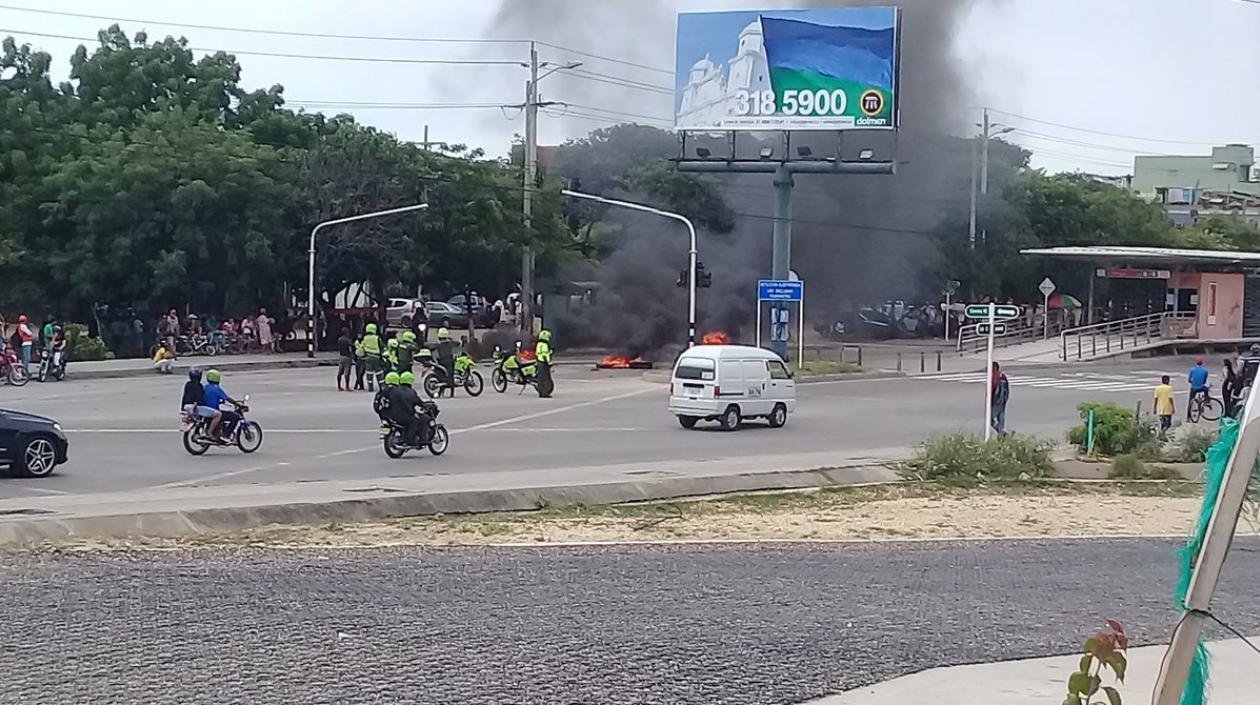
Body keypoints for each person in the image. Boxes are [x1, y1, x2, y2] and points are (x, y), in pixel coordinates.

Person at [202, 369, 241, 441]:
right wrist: (236, 403)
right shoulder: (216, 388)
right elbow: (227, 398)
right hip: (214, 411)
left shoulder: (205, 387)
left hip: (206, 410)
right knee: (235, 417)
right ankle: (226, 434)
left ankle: (218, 432)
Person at [389, 370, 424, 445]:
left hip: (393, 415)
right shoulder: (410, 392)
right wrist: (424, 405)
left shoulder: (396, 390)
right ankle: (409, 439)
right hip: (404, 415)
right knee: (414, 421)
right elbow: (418, 401)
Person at [360, 322, 383, 391]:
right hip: (376, 357)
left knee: (369, 373)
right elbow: (381, 346)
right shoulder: (377, 338)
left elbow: (362, 347)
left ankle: (370, 387)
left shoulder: (365, 338)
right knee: (379, 372)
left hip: (367, 358)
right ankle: (382, 386)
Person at [434, 327, 455, 396]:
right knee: (451, 375)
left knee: (440, 376)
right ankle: (452, 393)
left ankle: (441, 392)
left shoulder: (438, 345)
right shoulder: (450, 343)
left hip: (442, 362)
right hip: (450, 361)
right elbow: (457, 343)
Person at [990, 361, 1009, 435]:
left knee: (991, 419)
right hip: (1003, 400)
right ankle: (1001, 431)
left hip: (996, 401)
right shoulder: (1003, 376)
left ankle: (1001, 432)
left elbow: (993, 388)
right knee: (1001, 417)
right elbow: (1007, 388)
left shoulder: (995, 376)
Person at [535, 329, 554, 398]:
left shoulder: (539, 344)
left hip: (539, 362)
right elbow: (545, 354)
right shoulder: (545, 344)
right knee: (546, 379)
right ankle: (545, 393)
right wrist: (549, 362)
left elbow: (537, 354)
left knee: (541, 379)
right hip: (544, 362)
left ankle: (541, 392)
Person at [336, 327, 354, 391]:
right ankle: (347, 386)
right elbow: (350, 349)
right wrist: (352, 356)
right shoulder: (348, 340)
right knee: (347, 373)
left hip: (341, 356)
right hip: (347, 357)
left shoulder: (339, 339)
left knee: (340, 372)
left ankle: (339, 386)